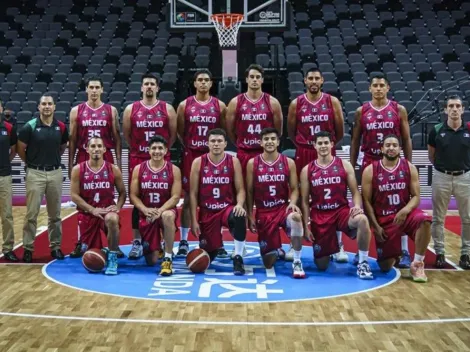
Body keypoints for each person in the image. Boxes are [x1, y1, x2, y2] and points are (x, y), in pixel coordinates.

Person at [350, 73, 413, 268]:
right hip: (370, 161)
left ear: (388, 88)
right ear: (369, 89)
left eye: (381, 85)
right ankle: (363, 251)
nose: (378, 88)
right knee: (369, 207)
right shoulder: (362, 111)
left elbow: (407, 139)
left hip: (394, 163)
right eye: (374, 85)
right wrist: (352, 167)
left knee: (398, 205)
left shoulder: (398, 109)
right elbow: (355, 140)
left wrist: (408, 165)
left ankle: (404, 250)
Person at [287, 67, 347, 263]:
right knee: (301, 195)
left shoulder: (332, 102)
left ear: (322, 81)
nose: (313, 81)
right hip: (304, 150)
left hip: (326, 151)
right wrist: (305, 146)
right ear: (305, 81)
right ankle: (294, 242)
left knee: (334, 196)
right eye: (310, 78)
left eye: (317, 78)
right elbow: (290, 131)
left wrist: (325, 147)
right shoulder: (297, 103)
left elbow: (339, 132)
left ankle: (338, 244)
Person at [225, 63, 283, 258]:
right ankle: (237, 244)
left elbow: (278, 131)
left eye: (258, 76)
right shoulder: (236, 102)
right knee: (240, 197)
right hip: (244, 153)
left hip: (265, 154)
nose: (255, 80)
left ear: (262, 79)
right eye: (252, 77)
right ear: (246, 79)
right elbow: (230, 130)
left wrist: (267, 147)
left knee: (271, 198)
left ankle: (276, 243)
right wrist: (243, 144)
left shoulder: (272, 102)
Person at [300, 131, 373, 279]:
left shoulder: (344, 165)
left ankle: (363, 262)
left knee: (362, 220)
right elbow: (304, 201)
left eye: (326, 142)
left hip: (341, 212)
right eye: (319, 143)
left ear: (332, 144)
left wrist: (357, 205)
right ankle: (331, 246)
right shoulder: (307, 170)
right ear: (314, 146)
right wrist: (306, 225)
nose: (323, 146)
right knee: (321, 265)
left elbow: (355, 192)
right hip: (320, 215)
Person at [122, 73, 177, 260]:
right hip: (138, 157)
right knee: (137, 201)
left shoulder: (167, 109)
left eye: (153, 84)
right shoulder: (131, 109)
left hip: (162, 156)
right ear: (141, 87)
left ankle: (165, 240)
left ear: (157, 88)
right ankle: (137, 241)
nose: (149, 87)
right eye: (146, 84)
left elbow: (172, 135)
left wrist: (159, 151)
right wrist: (142, 151)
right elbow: (127, 135)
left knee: (165, 196)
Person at [362, 134, 431, 282]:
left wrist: (405, 210)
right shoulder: (370, 170)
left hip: (405, 215)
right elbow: (366, 202)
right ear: (381, 149)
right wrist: (376, 226)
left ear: (400, 149)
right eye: (387, 145)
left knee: (425, 220)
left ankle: (417, 264)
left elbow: (416, 196)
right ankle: (396, 252)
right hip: (385, 220)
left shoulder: (409, 167)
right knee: (385, 266)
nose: (391, 148)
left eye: (394, 145)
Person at [68, 76, 123, 258]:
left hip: (105, 155)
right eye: (91, 87)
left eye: (97, 87)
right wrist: (71, 162)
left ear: (102, 90)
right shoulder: (76, 110)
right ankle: (80, 242)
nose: (93, 90)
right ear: (86, 90)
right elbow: (73, 139)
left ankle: (113, 244)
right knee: (84, 203)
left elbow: (116, 138)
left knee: (105, 198)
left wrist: (118, 162)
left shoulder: (111, 110)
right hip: (84, 154)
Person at [176, 69, 226, 257]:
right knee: (189, 198)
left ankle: (217, 241)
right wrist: (191, 146)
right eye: (200, 80)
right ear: (195, 84)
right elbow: (181, 131)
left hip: (213, 157)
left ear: (211, 83)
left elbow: (223, 131)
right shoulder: (184, 105)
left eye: (207, 80)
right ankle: (183, 240)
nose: (203, 83)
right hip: (192, 155)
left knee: (217, 199)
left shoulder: (220, 106)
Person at [246, 127, 305, 278]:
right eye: (266, 139)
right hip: (264, 212)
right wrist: (250, 215)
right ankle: (276, 248)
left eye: (273, 139)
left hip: (282, 209)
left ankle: (297, 261)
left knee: (296, 218)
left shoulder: (288, 162)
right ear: (261, 142)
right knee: (268, 262)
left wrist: (292, 202)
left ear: (278, 142)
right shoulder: (253, 163)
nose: (270, 142)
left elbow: (294, 188)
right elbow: (250, 191)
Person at [17, 95, 68, 263]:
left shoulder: (61, 127)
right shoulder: (29, 126)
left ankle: (55, 247)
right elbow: (20, 149)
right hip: (35, 173)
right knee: (31, 214)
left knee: (55, 215)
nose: (47, 107)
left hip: (55, 173)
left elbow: (62, 148)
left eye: (49, 104)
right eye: (43, 104)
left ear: (54, 107)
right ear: (38, 107)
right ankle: (28, 249)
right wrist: (32, 164)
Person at [189, 128, 247, 275]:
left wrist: (239, 205)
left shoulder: (233, 161)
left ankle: (238, 256)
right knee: (208, 257)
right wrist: (194, 220)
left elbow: (240, 189)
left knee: (239, 215)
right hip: (207, 213)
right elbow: (193, 194)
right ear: (207, 143)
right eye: (213, 141)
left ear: (225, 144)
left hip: (226, 209)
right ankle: (214, 245)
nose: (216, 144)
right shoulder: (198, 162)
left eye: (219, 141)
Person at [70, 137, 126, 275]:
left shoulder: (113, 169)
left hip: (107, 210)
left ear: (104, 149)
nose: (96, 149)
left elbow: (123, 192)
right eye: (93, 146)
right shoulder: (78, 169)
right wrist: (92, 209)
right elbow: (74, 195)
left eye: (99, 146)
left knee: (112, 218)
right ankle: (106, 250)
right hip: (88, 214)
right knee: (93, 255)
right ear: (87, 149)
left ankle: (112, 256)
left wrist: (118, 207)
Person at [428, 95, 470, 269]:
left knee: (467, 218)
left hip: (465, 177)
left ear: (462, 109)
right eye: (450, 106)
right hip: (441, 176)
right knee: (438, 218)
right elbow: (432, 156)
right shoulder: (436, 130)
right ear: (445, 110)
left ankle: (465, 254)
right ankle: (440, 253)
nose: (454, 109)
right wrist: (443, 170)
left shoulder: (469, 129)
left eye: (457, 106)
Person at [130, 135, 182, 276]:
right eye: (154, 148)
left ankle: (168, 258)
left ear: (166, 151)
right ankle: (156, 248)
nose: (157, 151)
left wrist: (159, 211)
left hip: (164, 209)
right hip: (147, 214)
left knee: (167, 216)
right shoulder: (138, 169)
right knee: (151, 261)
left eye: (160, 148)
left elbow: (176, 197)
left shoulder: (174, 169)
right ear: (148, 150)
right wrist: (145, 210)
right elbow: (133, 195)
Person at [0, 101, 18, 261]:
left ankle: (7, 248)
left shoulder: (9, 128)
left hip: (4, 176)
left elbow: (14, 150)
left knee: (6, 215)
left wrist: (5, 161)